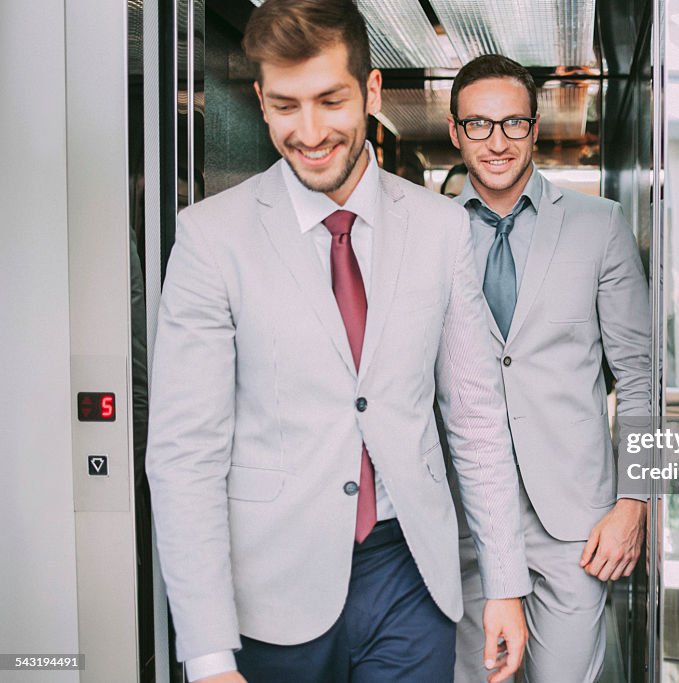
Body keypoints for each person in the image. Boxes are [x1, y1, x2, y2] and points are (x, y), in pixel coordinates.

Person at [146, 4, 530, 682]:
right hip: (268, 589)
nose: (311, 131)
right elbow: (186, 455)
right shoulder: (210, 239)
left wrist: (504, 580)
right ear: (260, 101)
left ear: (372, 93)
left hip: (409, 575)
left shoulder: (441, 230)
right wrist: (207, 652)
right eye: (287, 105)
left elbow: (474, 416)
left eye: (331, 100)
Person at [446, 55, 653, 682]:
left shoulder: (599, 225)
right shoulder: (427, 234)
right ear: (455, 132)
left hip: (576, 528)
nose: (497, 141)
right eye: (478, 124)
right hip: (464, 525)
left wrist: (636, 498)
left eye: (513, 123)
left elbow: (641, 374)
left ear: (535, 128)